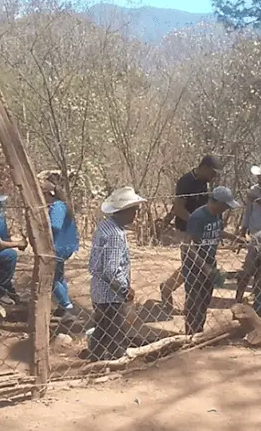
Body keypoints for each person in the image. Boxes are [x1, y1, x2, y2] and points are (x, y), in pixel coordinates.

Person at [88, 186, 147, 361]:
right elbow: (111, 270)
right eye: (133, 211)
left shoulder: (105, 226)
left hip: (98, 290)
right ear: (124, 211)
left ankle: (95, 359)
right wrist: (124, 289)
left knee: (101, 328)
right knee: (117, 332)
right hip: (111, 294)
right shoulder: (116, 235)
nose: (135, 215)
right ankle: (116, 362)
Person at [160, 155, 222, 310]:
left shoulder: (203, 183)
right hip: (186, 229)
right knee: (192, 263)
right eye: (212, 173)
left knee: (194, 264)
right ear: (204, 167)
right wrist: (197, 223)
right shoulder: (186, 181)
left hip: (198, 229)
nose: (213, 177)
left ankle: (167, 287)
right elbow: (180, 208)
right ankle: (168, 289)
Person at [182, 186, 242, 335]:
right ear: (217, 202)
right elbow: (186, 246)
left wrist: (234, 238)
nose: (227, 208)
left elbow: (217, 231)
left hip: (209, 261)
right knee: (194, 301)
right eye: (225, 205)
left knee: (204, 300)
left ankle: (199, 332)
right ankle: (190, 334)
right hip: (195, 266)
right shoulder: (198, 217)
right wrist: (204, 267)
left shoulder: (217, 215)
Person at [41, 179, 80, 322]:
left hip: (58, 247)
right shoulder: (61, 205)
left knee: (52, 279)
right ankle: (63, 307)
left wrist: (42, 228)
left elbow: (55, 226)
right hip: (64, 246)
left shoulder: (57, 206)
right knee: (59, 276)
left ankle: (67, 307)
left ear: (48, 194)